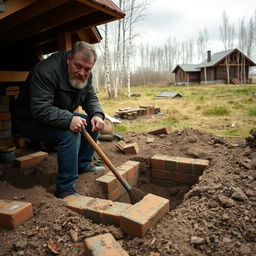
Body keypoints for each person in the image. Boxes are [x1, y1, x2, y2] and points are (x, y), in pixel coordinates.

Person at [13, 41, 105, 199]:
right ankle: (66, 188)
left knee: (90, 123)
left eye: (87, 69)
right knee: (70, 133)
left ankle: (82, 165)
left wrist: (97, 114)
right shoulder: (46, 71)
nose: (82, 73)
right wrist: (69, 118)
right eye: (78, 66)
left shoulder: (85, 74)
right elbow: (40, 109)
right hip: (30, 121)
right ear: (69, 59)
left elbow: (90, 97)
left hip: (55, 117)